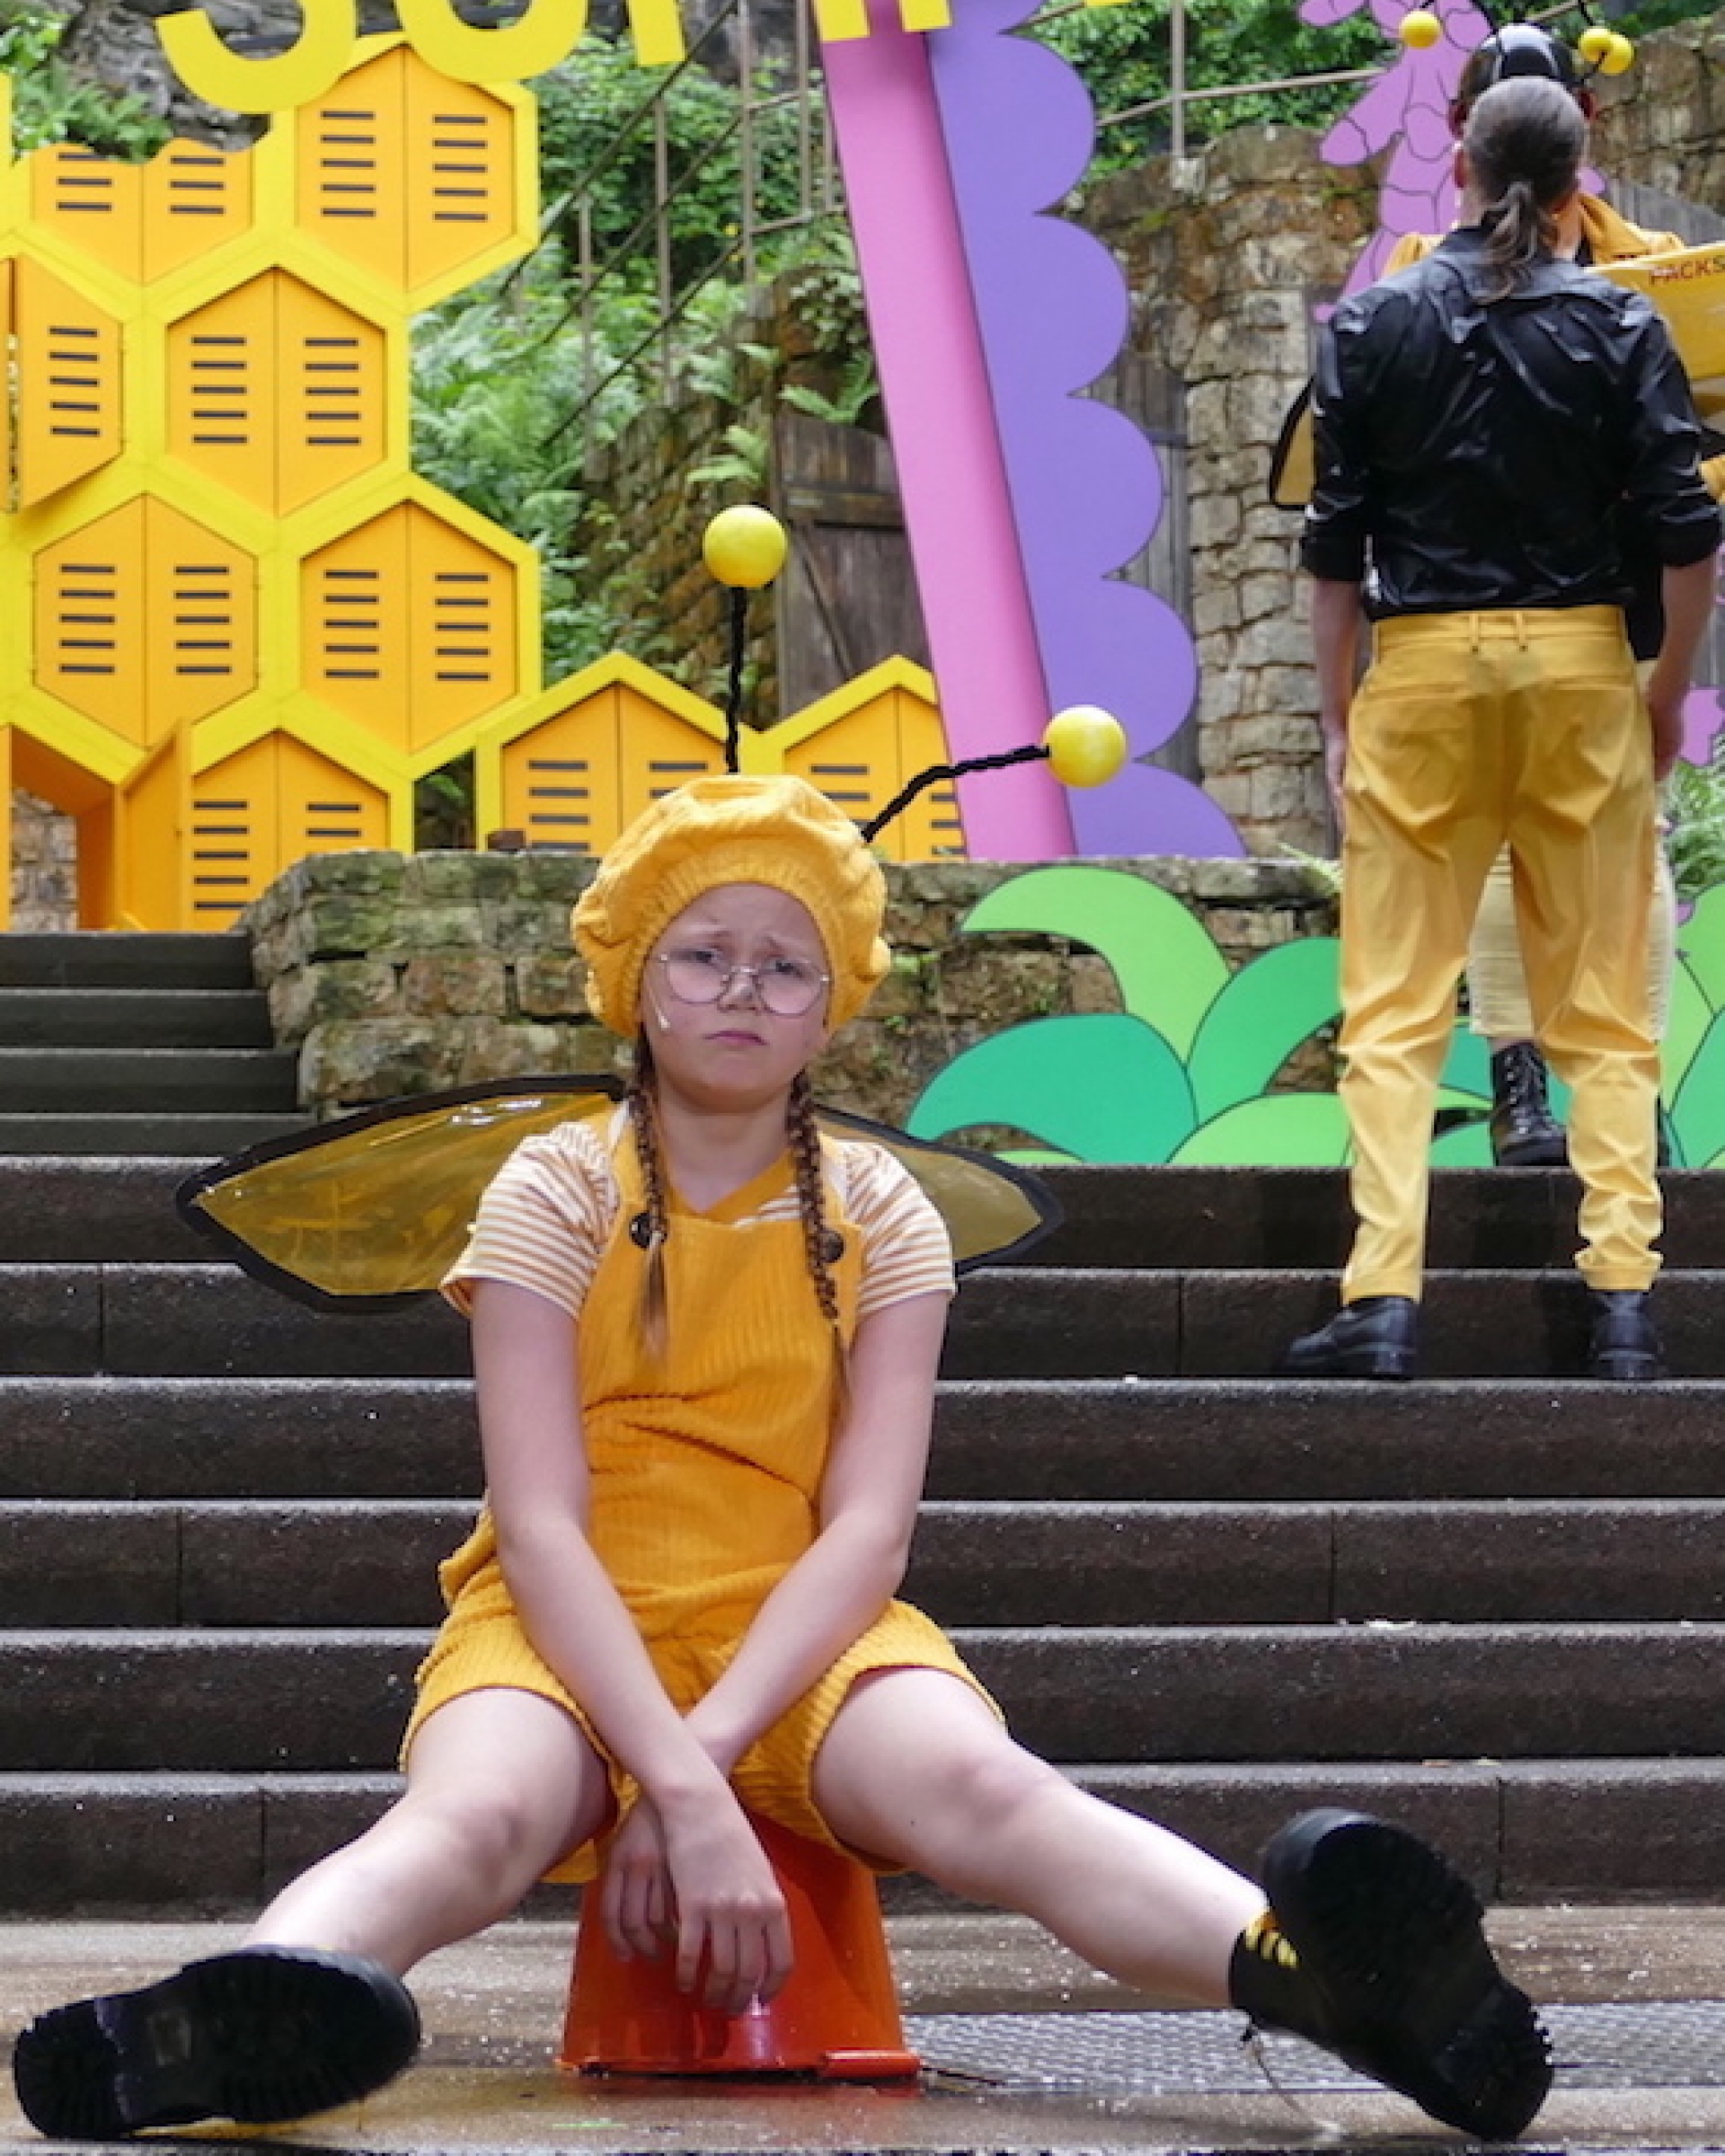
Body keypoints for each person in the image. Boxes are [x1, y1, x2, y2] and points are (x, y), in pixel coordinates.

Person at [14, 770, 1552, 2142]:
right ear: (636, 983)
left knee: (988, 1790)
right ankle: (254, 2002)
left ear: (832, 1006)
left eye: (784, 965)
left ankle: (1333, 1986)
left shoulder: (886, 1213)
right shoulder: (551, 1190)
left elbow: (868, 1530)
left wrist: (697, 1771)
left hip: (807, 1628)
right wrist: (678, 1785)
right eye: (704, 955)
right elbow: (540, 1524)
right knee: (472, 1819)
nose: (742, 989)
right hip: (558, 1627)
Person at [1287, 75, 1721, 1386]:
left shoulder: (1375, 320)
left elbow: (1334, 548)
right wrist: (1664, 694)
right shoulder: (1620, 320)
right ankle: (1624, 1299)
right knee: (1605, 1006)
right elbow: (1689, 537)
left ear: (1461, 167)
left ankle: (1381, 1297)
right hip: (1583, 670)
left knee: (1395, 1005)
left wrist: (1336, 719)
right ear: (1582, 175)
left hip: (1422, 678)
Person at [1385, 22, 1725, 1171]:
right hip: (1484, 597)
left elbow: (1700, 456)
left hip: (1613, 597)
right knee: (1498, 839)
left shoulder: (1661, 272)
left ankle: (1624, 1091)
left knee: (1624, 847)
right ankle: (1522, 1089)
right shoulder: (1419, 276)